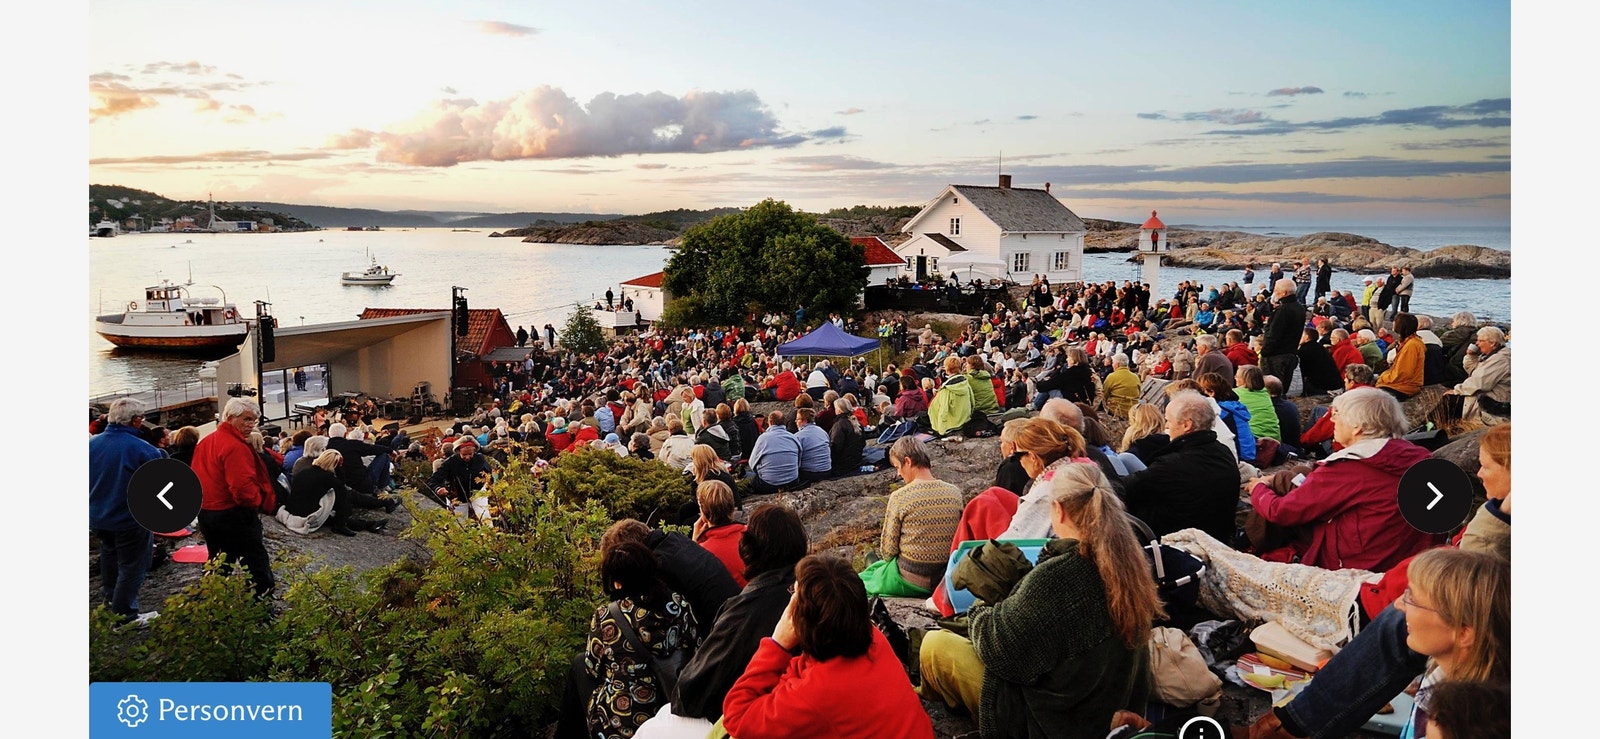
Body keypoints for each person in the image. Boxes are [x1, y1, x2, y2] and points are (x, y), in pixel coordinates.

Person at [919, 462, 1159, 739]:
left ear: (1058, 510)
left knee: (936, 645)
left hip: (1055, 723)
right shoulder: (1129, 564)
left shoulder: (1058, 576)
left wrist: (982, 607)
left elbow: (999, 652)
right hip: (1110, 709)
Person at [1252, 549, 1508, 739]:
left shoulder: (1460, 723)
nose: (1398, 604)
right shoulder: (1447, 683)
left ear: (1464, 633)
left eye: (1413, 599)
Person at [722, 554, 935, 739]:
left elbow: (736, 716)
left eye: (795, 595)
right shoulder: (872, 637)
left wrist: (778, 643)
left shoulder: (814, 694)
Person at [1248, 387, 1439, 572]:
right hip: (1403, 553)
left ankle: (1250, 547)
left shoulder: (1348, 468)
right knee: (1294, 474)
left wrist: (1259, 488)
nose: (1332, 419)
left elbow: (1281, 512)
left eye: (1336, 413)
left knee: (1280, 487)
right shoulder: (1417, 456)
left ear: (1357, 427)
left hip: (1357, 562)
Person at [574, 540, 697, 739]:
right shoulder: (678, 604)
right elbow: (696, 647)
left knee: (579, 665)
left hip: (623, 723)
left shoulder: (607, 616)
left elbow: (592, 668)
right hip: (675, 708)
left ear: (617, 582)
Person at [1121, 390, 1240, 542]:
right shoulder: (1223, 452)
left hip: (1172, 539)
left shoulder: (1174, 464)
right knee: (1126, 459)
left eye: (1169, 421)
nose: (1166, 426)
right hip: (1218, 533)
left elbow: (1124, 488)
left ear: (1186, 425)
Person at [90, 398, 166, 625]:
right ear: (135, 421)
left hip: (98, 516)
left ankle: (110, 603)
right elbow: (159, 487)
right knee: (133, 566)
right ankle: (125, 616)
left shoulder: (91, 445)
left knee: (109, 558)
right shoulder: (143, 450)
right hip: (130, 518)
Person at [193, 398, 276, 599]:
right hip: (232, 513)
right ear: (230, 417)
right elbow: (242, 487)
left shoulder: (206, 441)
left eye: (254, 420)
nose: (251, 425)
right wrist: (256, 503)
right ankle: (261, 602)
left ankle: (211, 599)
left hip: (207, 511)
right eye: (246, 419)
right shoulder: (235, 447)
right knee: (255, 561)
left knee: (219, 560)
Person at [860, 436, 963, 597]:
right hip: (946, 577)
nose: (898, 473)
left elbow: (888, 552)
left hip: (911, 579)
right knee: (877, 569)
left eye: (897, 467)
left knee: (862, 581)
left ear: (907, 461)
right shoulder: (954, 493)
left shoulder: (900, 497)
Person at [999, 417, 1089, 539]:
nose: (1019, 461)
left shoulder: (1044, 495)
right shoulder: (1086, 472)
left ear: (1033, 457)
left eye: (1018, 455)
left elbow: (1011, 543)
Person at [1446, 326, 1510, 426]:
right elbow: (1473, 371)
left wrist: (1457, 390)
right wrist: (1471, 356)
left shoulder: (1500, 359)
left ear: (1492, 343)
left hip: (1494, 402)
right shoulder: (1491, 355)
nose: (1477, 344)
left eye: (1480, 341)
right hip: (1489, 397)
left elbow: (1480, 382)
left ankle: (1432, 429)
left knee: (1448, 400)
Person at [691, 480, 746, 588]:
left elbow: (693, 577)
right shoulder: (750, 532)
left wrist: (694, 544)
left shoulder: (703, 552)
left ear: (703, 510)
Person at [427, 436, 493, 517]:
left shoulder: (479, 458)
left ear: (474, 451)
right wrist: (438, 488)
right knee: (459, 521)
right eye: (464, 454)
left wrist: (489, 483)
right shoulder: (450, 462)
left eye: (470, 454)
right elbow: (433, 480)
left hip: (477, 492)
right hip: (457, 497)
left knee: (485, 517)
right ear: (458, 451)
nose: (467, 457)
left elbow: (488, 472)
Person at [1260, 278, 1306, 390]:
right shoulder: (1299, 308)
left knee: (1272, 389)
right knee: (1282, 388)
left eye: (1276, 290)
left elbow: (1274, 334)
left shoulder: (1283, 310)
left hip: (1276, 356)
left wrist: (1264, 352)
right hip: (1290, 352)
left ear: (1284, 293)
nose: (1274, 293)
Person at [747, 411, 801, 495]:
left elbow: (751, 463)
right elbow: (799, 461)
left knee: (748, 476)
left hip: (769, 485)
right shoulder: (793, 437)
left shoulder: (763, 438)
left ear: (770, 422)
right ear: (784, 422)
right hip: (792, 482)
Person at [1377, 312, 1426, 399]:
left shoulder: (1412, 345)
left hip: (1404, 386)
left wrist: (1383, 377)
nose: (1393, 323)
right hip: (1401, 383)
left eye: (1395, 321)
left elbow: (1403, 373)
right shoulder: (1409, 342)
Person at [928, 356, 976, 436]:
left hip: (952, 425)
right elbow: (972, 401)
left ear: (947, 369)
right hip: (965, 420)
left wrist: (941, 431)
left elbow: (943, 411)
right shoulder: (965, 383)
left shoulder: (947, 389)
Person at [1234, 365, 1281, 442]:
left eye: (1237, 376)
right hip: (1274, 437)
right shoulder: (1265, 393)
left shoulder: (1235, 394)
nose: (1235, 378)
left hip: (1254, 438)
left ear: (1244, 380)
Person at [1298, 328, 1344, 396]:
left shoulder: (1305, 350)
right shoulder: (1319, 347)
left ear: (1306, 337)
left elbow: (1301, 371)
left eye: (1301, 335)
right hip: (1335, 385)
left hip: (1323, 389)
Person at [792, 407, 832, 482]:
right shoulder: (822, 432)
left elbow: (795, 459)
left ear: (804, 421)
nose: (795, 421)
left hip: (810, 473)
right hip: (827, 470)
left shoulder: (798, 436)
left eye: (797, 419)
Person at [828, 397, 865, 473]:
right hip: (857, 461)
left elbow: (836, 447)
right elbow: (863, 443)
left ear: (839, 410)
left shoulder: (839, 425)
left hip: (843, 464)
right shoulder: (858, 423)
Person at [1102, 354, 1141, 419]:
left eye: (1113, 363)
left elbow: (1104, 395)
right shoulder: (1135, 377)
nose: (1112, 365)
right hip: (1132, 410)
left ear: (1117, 364)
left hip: (1116, 411)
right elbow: (1138, 393)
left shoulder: (1112, 376)